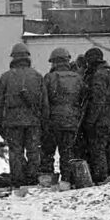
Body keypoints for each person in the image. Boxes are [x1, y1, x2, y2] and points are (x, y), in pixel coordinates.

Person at [0, 42, 49, 187]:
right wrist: (44, 122)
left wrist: (1, 123)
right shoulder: (37, 76)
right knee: (33, 151)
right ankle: (32, 179)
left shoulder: (6, 77)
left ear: (13, 58)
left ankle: (18, 180)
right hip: (33, 121)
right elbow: (44, 104)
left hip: (13, 122)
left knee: (15, 152)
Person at [40, 47, 84, 181]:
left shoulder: (49, 78)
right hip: (71, 121)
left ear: (53, 62)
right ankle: (67, 179)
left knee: (48, 153)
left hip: (53, 121)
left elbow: (44, 102)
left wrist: (44, 122)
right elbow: (83, 99)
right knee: (67, 153)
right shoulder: (78, 78)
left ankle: (48, 179)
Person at [80, 47, 110, 184]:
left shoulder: (98, 75)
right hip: (109, 116)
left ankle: (101, 178)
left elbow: (97, 100)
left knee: (98, 148)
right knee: (107, 147)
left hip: (100, 117)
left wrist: (90, 121)